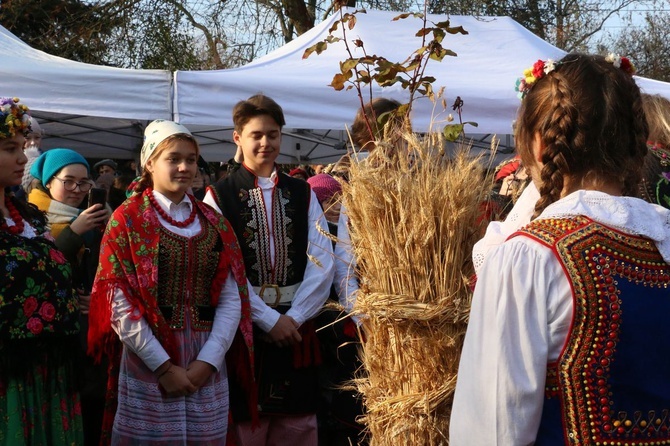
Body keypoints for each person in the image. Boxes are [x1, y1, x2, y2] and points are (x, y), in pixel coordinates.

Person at [449, 53, 670, 445]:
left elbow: (492, 431)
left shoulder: (531, 258)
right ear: (636, 142)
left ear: (537, 144)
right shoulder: (663, 240)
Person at [87, 119, 255, 444]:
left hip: (206, 358)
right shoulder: (127, 219)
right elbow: (117, 300)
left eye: (191, 159)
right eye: (173, 158)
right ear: (149, 163)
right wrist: (163, 367)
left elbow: (232, 296)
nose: (184, 167)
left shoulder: (214, 222)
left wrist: (208, 362)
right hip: (148, 359)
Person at [204, 94, 334, 446]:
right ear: (238, 138)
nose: (265, 143)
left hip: (297, 325)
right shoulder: (218, 195)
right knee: (248, 427)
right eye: (256, 135)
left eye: (273, 134)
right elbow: (222, 269)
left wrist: (295, 317)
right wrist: (267, 320)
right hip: (245, 326)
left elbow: (322, 260)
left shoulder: (302, 192)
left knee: (298, 426)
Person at [0, 97, 84, 444]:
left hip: (49, 368)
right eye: (9, 148)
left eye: (22, 147)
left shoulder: (30, 217)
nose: (23, 158)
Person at [28, 148, 110, 445]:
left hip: (90, 331)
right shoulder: (30, 217)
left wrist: (109, 228)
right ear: (49, 182)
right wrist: (74, 232)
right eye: (69, 181)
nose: (78, 190)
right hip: (52, 337)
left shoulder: (93, 219)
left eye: (85, 182)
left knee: (91, 408)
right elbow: (38, 268)